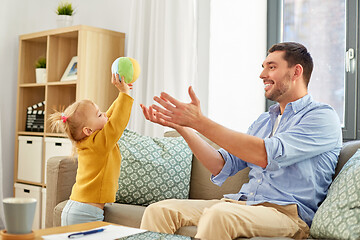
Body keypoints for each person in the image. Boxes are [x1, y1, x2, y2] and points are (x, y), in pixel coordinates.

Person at [139, 42, 342, 239]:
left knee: (219, 216)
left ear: (296, 72)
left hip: (287, 214)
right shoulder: (264, 121)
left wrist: (200, 122)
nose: (262, 75)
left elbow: (266, 155)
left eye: (271, 67)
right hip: (242, 204)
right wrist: (185, 128)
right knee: (160, 210)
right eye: (263, 68)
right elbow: (220, 164)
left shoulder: (322, 117)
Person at [49, 74, 134, 226]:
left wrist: (122, 94)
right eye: (99, 114)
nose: (105, 114)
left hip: (74, 207)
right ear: (88, 130)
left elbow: (110, 115)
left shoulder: (88, 142)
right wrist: (125, 95)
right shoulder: (100, 142)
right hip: (86, 213)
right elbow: (117, 122)